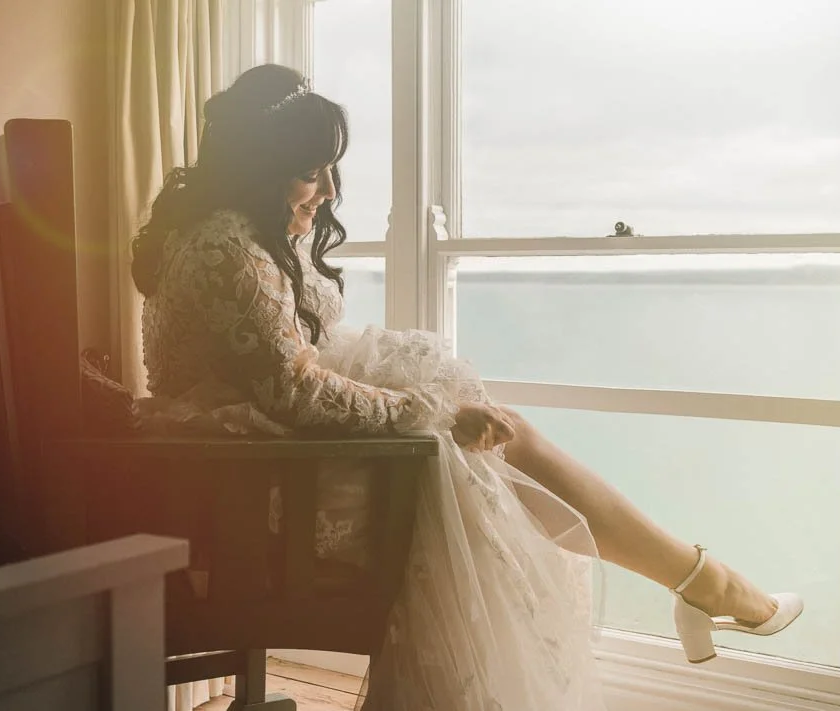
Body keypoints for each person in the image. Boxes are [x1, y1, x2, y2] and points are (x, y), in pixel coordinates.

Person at [132, 63, 802, 710]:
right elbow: (295, 393)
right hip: (257, 487)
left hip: (260, 467)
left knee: (497, 445)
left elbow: (279, 374)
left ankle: (703, 580)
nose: (329, 191)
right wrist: (425, 414)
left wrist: (431, 413)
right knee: (482, 463)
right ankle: (706, 582)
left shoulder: (222, 233)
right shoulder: (226, 246)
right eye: (311, 172)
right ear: (260, 168)